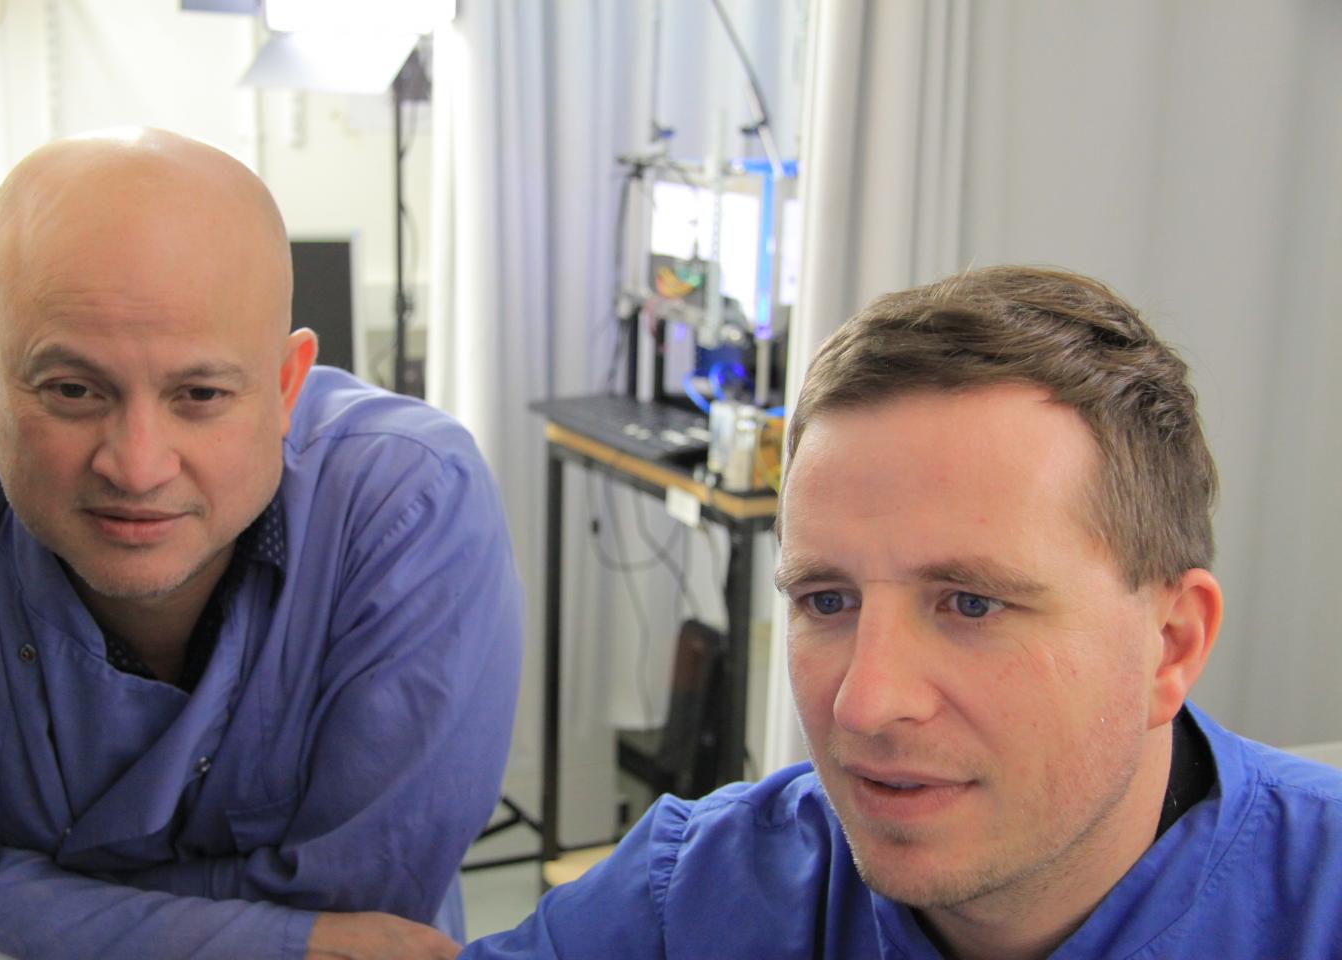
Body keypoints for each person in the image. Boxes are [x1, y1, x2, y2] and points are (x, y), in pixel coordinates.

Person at [460, 266, 1342, 959]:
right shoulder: (696, 897)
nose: (865, 704)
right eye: (827, 599)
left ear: (1170, 645)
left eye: (971, 603)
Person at [0, 128, 523, 960]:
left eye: (199, 393)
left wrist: (20, 894)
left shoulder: (406, 506)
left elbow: (371, 897)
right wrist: (289, 936)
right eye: (74, 390)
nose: (137, 466)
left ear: (284, 387)